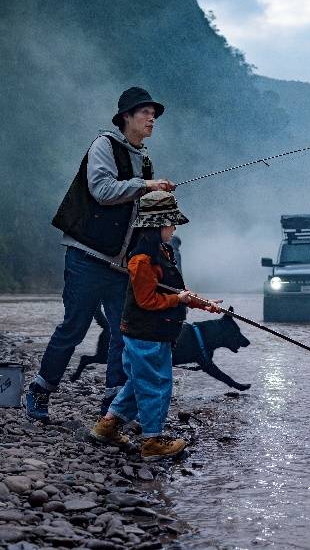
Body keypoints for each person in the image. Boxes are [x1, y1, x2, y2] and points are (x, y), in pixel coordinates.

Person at [27, 87, 175, 423]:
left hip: (121, 264)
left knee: (123, 333)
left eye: (154, 114)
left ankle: (111, 407)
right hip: (87, 257)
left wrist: (159, 207)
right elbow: (103, 190)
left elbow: (139, 213)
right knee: (74, 328)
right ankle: (40, 390)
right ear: (126, 117)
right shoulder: (104, 145)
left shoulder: (145, 159)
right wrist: (147, 186)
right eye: (145, 113)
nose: (152, 118)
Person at [92, 191, 222, 460]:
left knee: (139, 381)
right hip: (145, 335)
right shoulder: (141, 260)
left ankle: (107, 426)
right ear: (157, 225)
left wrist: (202, 303)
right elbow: (147, 300)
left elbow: (175, 290)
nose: (174, 227)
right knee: (157, 384)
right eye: (171, 223)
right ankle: (151, 441)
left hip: (156, 334)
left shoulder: (162, 251)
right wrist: (178, 298)